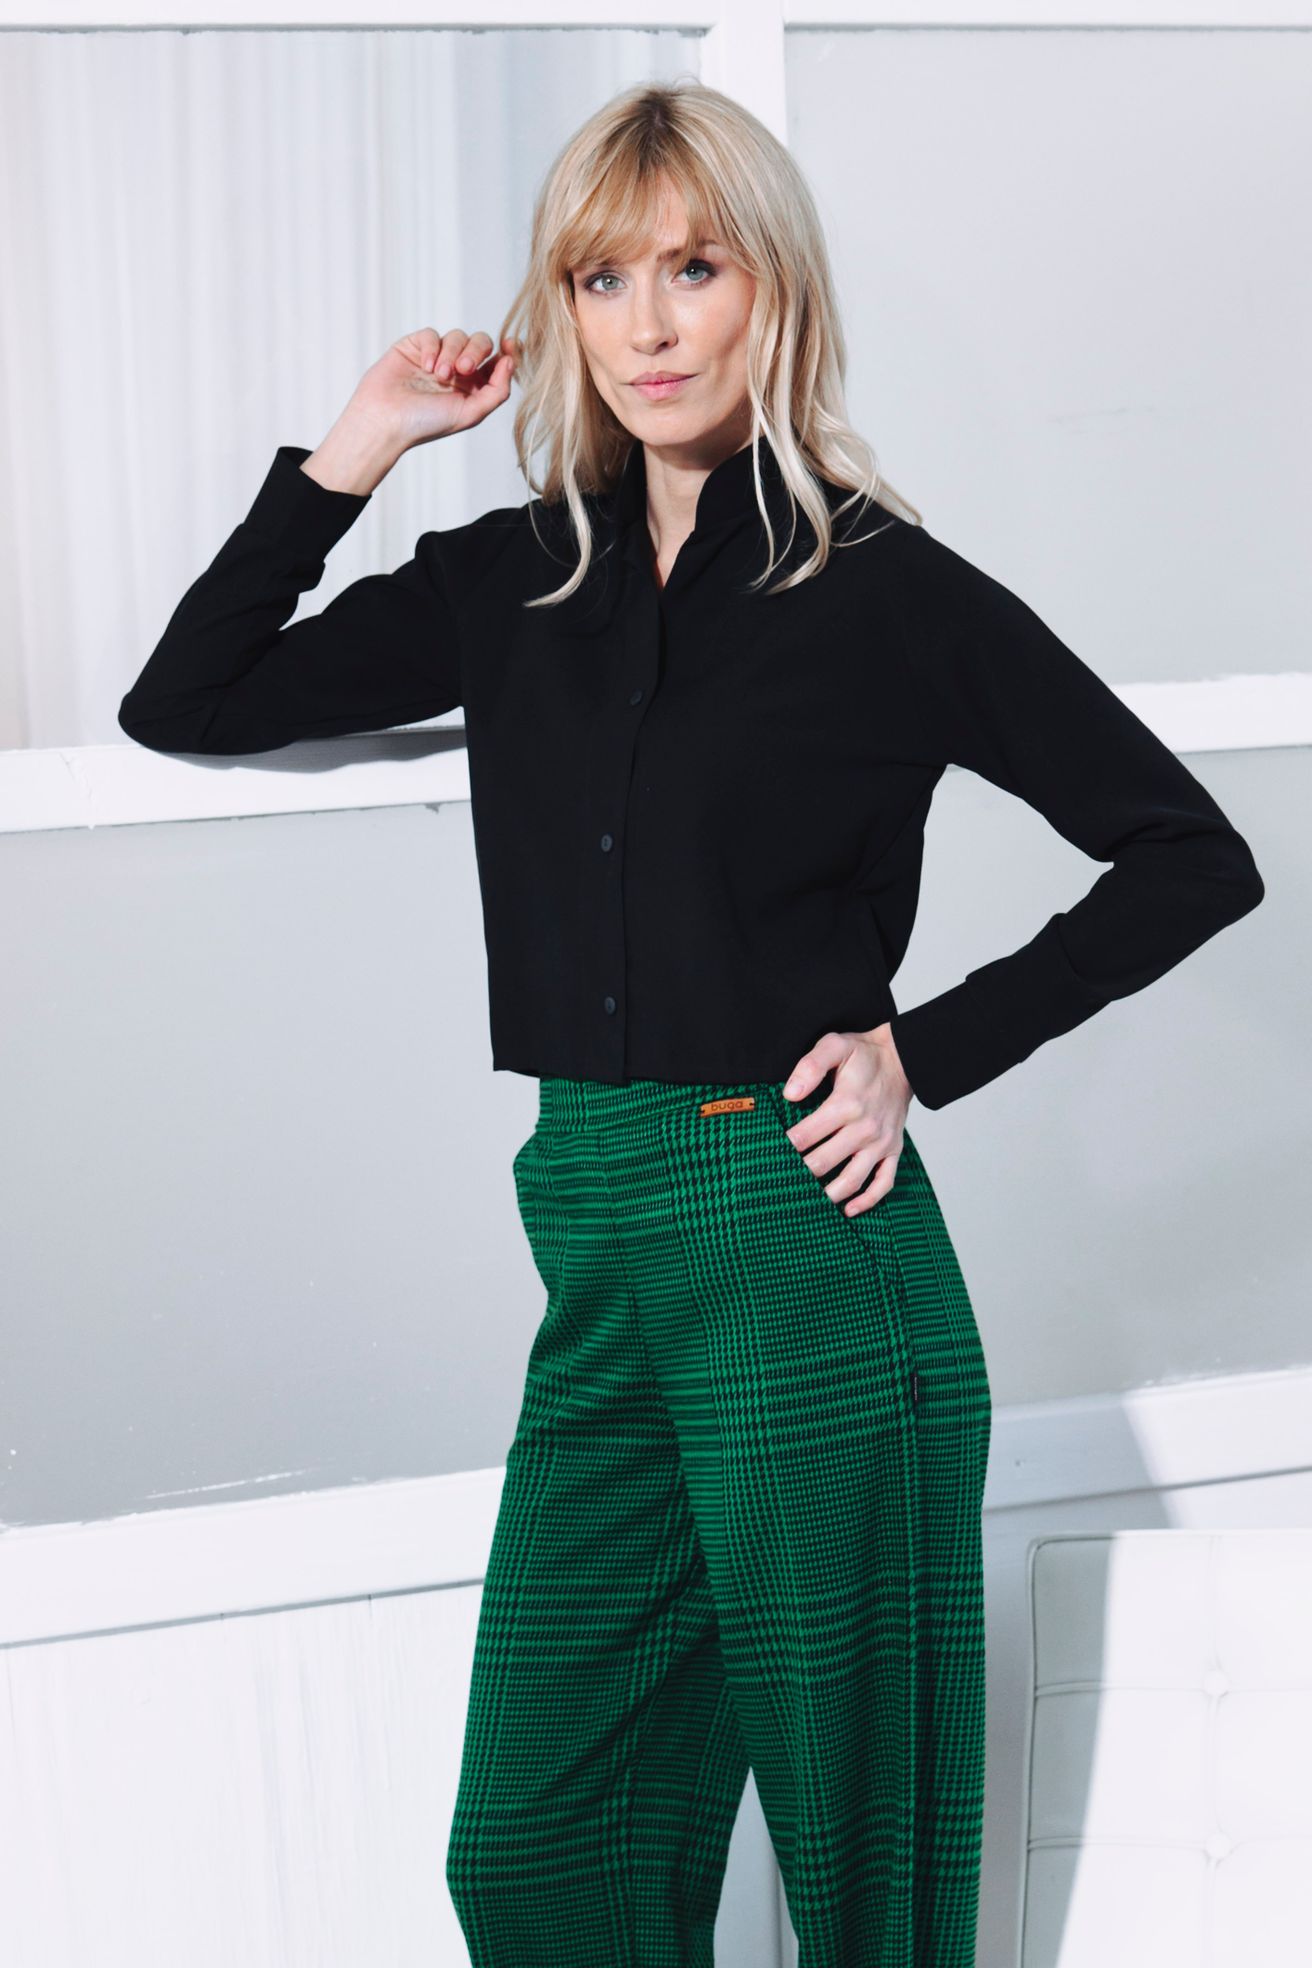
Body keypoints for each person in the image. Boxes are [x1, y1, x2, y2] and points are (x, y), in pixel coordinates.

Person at [118, 78, 1264, 1968]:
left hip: (803, 1244)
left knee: (862, 1882)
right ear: (562, 308)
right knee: (539, 1855)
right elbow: (190, 698)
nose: (646, 325)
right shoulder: (513, 578)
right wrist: (363, 442)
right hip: (594, 1236)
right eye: (601, 279)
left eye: (694, 269)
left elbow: (1189, 855)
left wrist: (925, 1053)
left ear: (771, 291)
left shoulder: (886, 589)